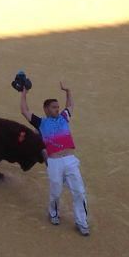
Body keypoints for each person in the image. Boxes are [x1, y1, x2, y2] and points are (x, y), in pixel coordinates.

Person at [20, 81, 90, 236]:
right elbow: (24, 111)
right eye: (54, 107)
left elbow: (70, 106)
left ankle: (82, 222)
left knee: (79, 191)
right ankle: (53, 212)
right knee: (56, 192)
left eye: (58, 107)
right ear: (46, 109)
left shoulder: (64, 117)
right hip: (54, 162)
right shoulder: (40, 122)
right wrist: (24, 93)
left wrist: (68, 91)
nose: (58, 109)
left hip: (70, 159)